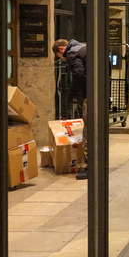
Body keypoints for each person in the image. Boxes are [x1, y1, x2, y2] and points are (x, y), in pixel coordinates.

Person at [52, 38, 88, 180]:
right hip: (99, 91)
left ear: (61, 49)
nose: (62, 60)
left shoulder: (72, 53)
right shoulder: (84, 47)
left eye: (60, 57)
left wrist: (74, 94)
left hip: (89, 93)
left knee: (88, 130)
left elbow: (78, 73)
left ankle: (89, 166)